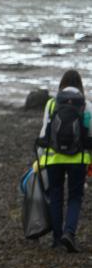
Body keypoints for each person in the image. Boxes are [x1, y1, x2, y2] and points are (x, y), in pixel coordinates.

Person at [37, 69, 92, 252]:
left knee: (56, 196)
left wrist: (40, 157)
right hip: (78, 158)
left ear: (61, 85)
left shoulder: (52, 104)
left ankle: (56, 239)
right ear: (80, 86)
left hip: (53, 158)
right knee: (75, 197)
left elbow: (44, 133)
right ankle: (69, 233)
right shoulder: (87, 106)